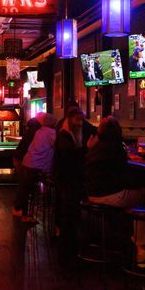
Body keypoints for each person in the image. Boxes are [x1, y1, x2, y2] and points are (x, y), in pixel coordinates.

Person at [84, 116, 145, 263]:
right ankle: (141, 249)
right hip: (109, 195)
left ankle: (127, 238)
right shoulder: (116, 149)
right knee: (143, 196)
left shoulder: (94, 148)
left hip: (92, 195)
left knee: (133, 199)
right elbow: (123, 177)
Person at [53, 107, 88, 259]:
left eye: (81, 120)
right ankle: (66, 246)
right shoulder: (64, 135)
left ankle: (67, 242)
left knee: (68, 210)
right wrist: (87, 149)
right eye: (78, 119)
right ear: (70, 119)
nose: (80, 123)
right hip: (66, 179)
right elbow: (68, 157)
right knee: (67, 210)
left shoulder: (71, 134)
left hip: (67, 179)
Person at [13, 112, 56, 223]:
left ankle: (19, 211)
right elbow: (58, 146)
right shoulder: (51, 133)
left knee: (24, 189)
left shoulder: (39, 131)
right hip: (36, 166)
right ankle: (24, 215)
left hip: (27, 162)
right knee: (26, 190)